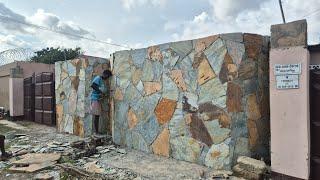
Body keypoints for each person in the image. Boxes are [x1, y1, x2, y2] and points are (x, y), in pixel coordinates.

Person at [90, 70, 112, 135]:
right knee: (96, 116)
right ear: (105, 74)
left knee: (97, 115)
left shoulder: (102, 80)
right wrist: (100, 92)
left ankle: (97, 131)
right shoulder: (98, 78)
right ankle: (96, 132)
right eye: (107, 76)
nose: (107, 78)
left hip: (98, 99)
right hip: (95, 99)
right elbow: (93, 85)